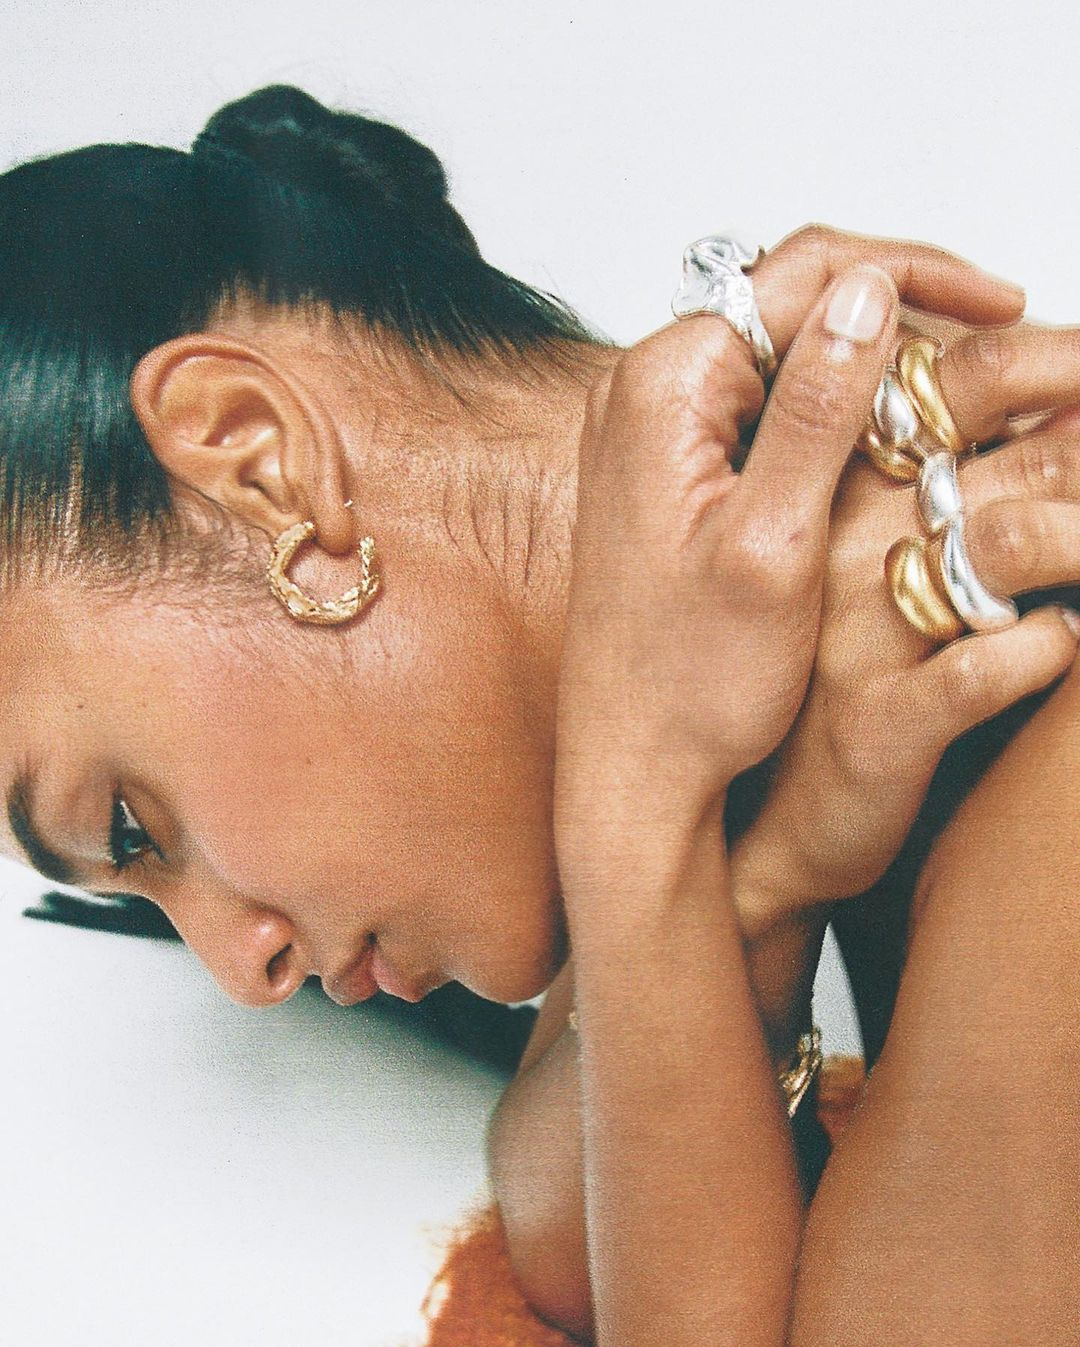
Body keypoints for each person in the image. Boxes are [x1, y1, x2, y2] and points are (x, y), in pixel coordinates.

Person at [1, 84, 1077, 1344]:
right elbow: (572, 1237)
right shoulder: (799, 677)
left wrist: (641, 798)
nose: (250, 976)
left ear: (256, 462)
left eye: (129, 827)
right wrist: (752, 881)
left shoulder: (1027, 708)